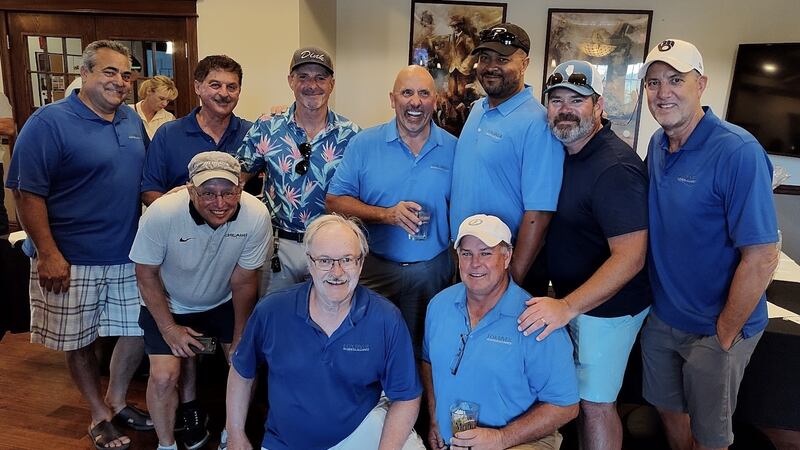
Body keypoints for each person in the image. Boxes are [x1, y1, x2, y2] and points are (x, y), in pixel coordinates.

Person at [5, 40, 151, 450]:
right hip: (70, 258)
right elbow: (26, 193)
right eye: (109, 72)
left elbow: (145, 180)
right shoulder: (48, 122)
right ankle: (99, 414)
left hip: (127, 253)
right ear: (84, 74)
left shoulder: (130, 120)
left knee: (141, 327)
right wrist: (48, 253)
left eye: (126, 75)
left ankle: (117, 399)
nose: (120, 81)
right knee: (80, 340)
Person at [638, 39, 780, 450]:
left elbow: (762, 256)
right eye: (653, 82)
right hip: (664, 319)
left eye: (675, 80)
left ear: (701, 84)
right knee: (670, 416)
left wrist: (723, 335)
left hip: (716, 330)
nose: (663, 92)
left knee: (710, 438)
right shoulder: (657, 144)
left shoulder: (738, 151)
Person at [516, 60, 650, 450]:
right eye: (556, 100)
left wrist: (567, 307)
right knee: (571, 398)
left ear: (599, 105)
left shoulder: (614, 168)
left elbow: (631, 257)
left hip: (608, 310)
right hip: (576, 301)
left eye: (577, 100)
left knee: (595, 405)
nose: (565, 109)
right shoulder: (568, 153)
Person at [225, 214, 425, 450]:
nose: (337, 272)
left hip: (361, 431)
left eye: (347, 259)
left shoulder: (386, 318)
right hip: (286, 442)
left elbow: (406, 396)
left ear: (361, 263)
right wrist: (235, 434)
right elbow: (242, 371)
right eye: (325, 261)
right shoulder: (272, 310)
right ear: (309, 263)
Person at [130, 151, 269, 450]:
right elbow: (145, 274)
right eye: (208, 193)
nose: (220, 203)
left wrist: (240, 337)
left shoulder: (256, 215)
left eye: (228, 192)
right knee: (164, 376)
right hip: (169, 300)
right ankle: (166, 445)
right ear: (191, 190)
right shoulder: (162, 213)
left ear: (240, 188)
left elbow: (244, 280)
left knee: (243, 363)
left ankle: (232, 435)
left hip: (222, 299)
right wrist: (169, 329)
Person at [326, 65, 456, 356]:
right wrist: (386, 215)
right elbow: (334, 202)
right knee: (364, 347)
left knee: (424, 350)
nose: (415, 102)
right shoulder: (364, 144)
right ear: (392, 99)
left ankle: (415, 387)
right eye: (406, 93)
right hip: (375, 268)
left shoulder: (454, 149)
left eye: (424, 94)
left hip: (431, 271)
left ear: (436, 101)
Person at [422, 215, 579, 450]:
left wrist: (501, 438)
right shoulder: (439, 305)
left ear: (507, 257)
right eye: (466, 254)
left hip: (519, 441)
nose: (475, 263)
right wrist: (435, 417)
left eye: (486, 253)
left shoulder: (536, 319)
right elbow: (428, 361)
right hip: (455, 440)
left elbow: (566, 406)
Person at [449, 23, 564, 293]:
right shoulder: (477, 109)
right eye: (485, 58)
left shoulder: (538, 123)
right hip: (469, 260)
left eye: (502, 59)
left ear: (524, 64)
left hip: (507, 270)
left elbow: (540, 213)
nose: (491, 67)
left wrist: (511, 283)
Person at [236, 47, 360, 294]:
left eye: (320, 78)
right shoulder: (268, 126)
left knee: (329, 312)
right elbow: (239, 175)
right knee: (275, 312)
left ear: (332, 84)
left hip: (331, 249)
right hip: (278, 247)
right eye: (303, 77)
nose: (312, 85)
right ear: (290, 81)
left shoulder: (351, 135)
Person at [141, 55, 253, 206]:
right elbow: (149, 191)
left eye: (231, 87)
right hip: (180, 221)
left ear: (239, 91)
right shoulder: (168, 134)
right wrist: (177, 210)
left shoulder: (253, 134)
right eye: (215, 85)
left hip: (239, 222)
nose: (224, 93)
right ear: (197, 87)